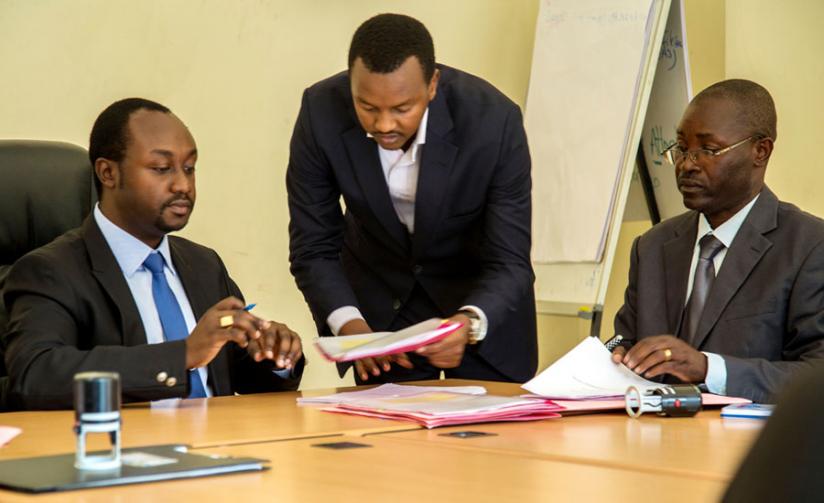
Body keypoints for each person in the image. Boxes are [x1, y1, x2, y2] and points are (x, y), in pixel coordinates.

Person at [3, 98, 303, 410]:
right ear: (108, 173)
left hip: (218, 438)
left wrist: (274, 355)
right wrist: (183, 355)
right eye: (162, 169)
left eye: (189, 168)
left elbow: (242, 375)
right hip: (123, 440)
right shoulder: (51, 271)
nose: (183, 185)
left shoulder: (204, 264)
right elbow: (36, 376)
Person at [287, 13, 537, 384]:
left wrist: (469, 323)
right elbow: (314, 246)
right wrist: (351, 328)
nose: (384, 124)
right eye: (367, 107)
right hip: (381, 325)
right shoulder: (320, 111)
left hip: (481, 309)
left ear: (432, 84)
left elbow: (510, 259)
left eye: (402, 109)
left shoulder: (493, 121)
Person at [612, 79, 824, 402]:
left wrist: (709, 369)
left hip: (750, 434)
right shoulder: (652, 247)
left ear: (760, 151)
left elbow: (816, 375)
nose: (687, 164)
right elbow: (623, 340)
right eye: (682, 149)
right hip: (652, 430)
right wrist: (614, 355)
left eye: (708, 150)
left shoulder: (808, 246)